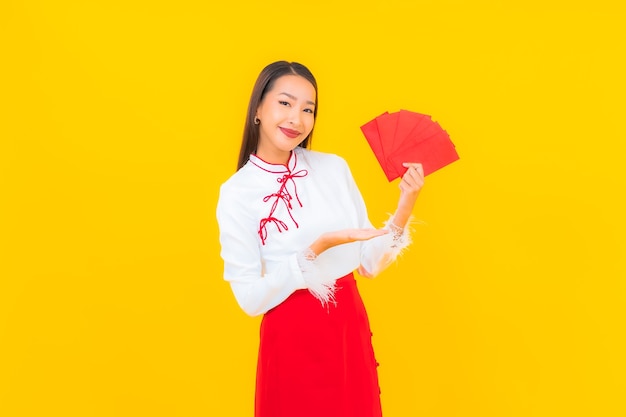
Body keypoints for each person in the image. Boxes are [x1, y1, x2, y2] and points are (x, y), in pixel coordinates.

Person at [216, 61, 424, 417]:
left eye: (307, 109)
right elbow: (250, 299)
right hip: (292, 335)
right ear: (258, 109)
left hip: (348, 328)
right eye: (285, 103)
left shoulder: (333, 168)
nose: (296, 118)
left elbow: (370, 264)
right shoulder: (237, 193)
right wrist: (316, 249)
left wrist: (406, 203)